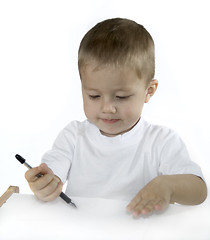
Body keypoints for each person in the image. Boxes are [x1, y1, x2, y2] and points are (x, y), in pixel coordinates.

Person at [25, 18, 207, 217]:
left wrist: (168, 186)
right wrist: (44, 185)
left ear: (149, 91)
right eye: (94, 96)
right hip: (80, 230)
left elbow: (199, 190)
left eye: (121, 97)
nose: (107, 108)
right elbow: (51, 177)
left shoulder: (161, 141)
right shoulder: (73, 137)